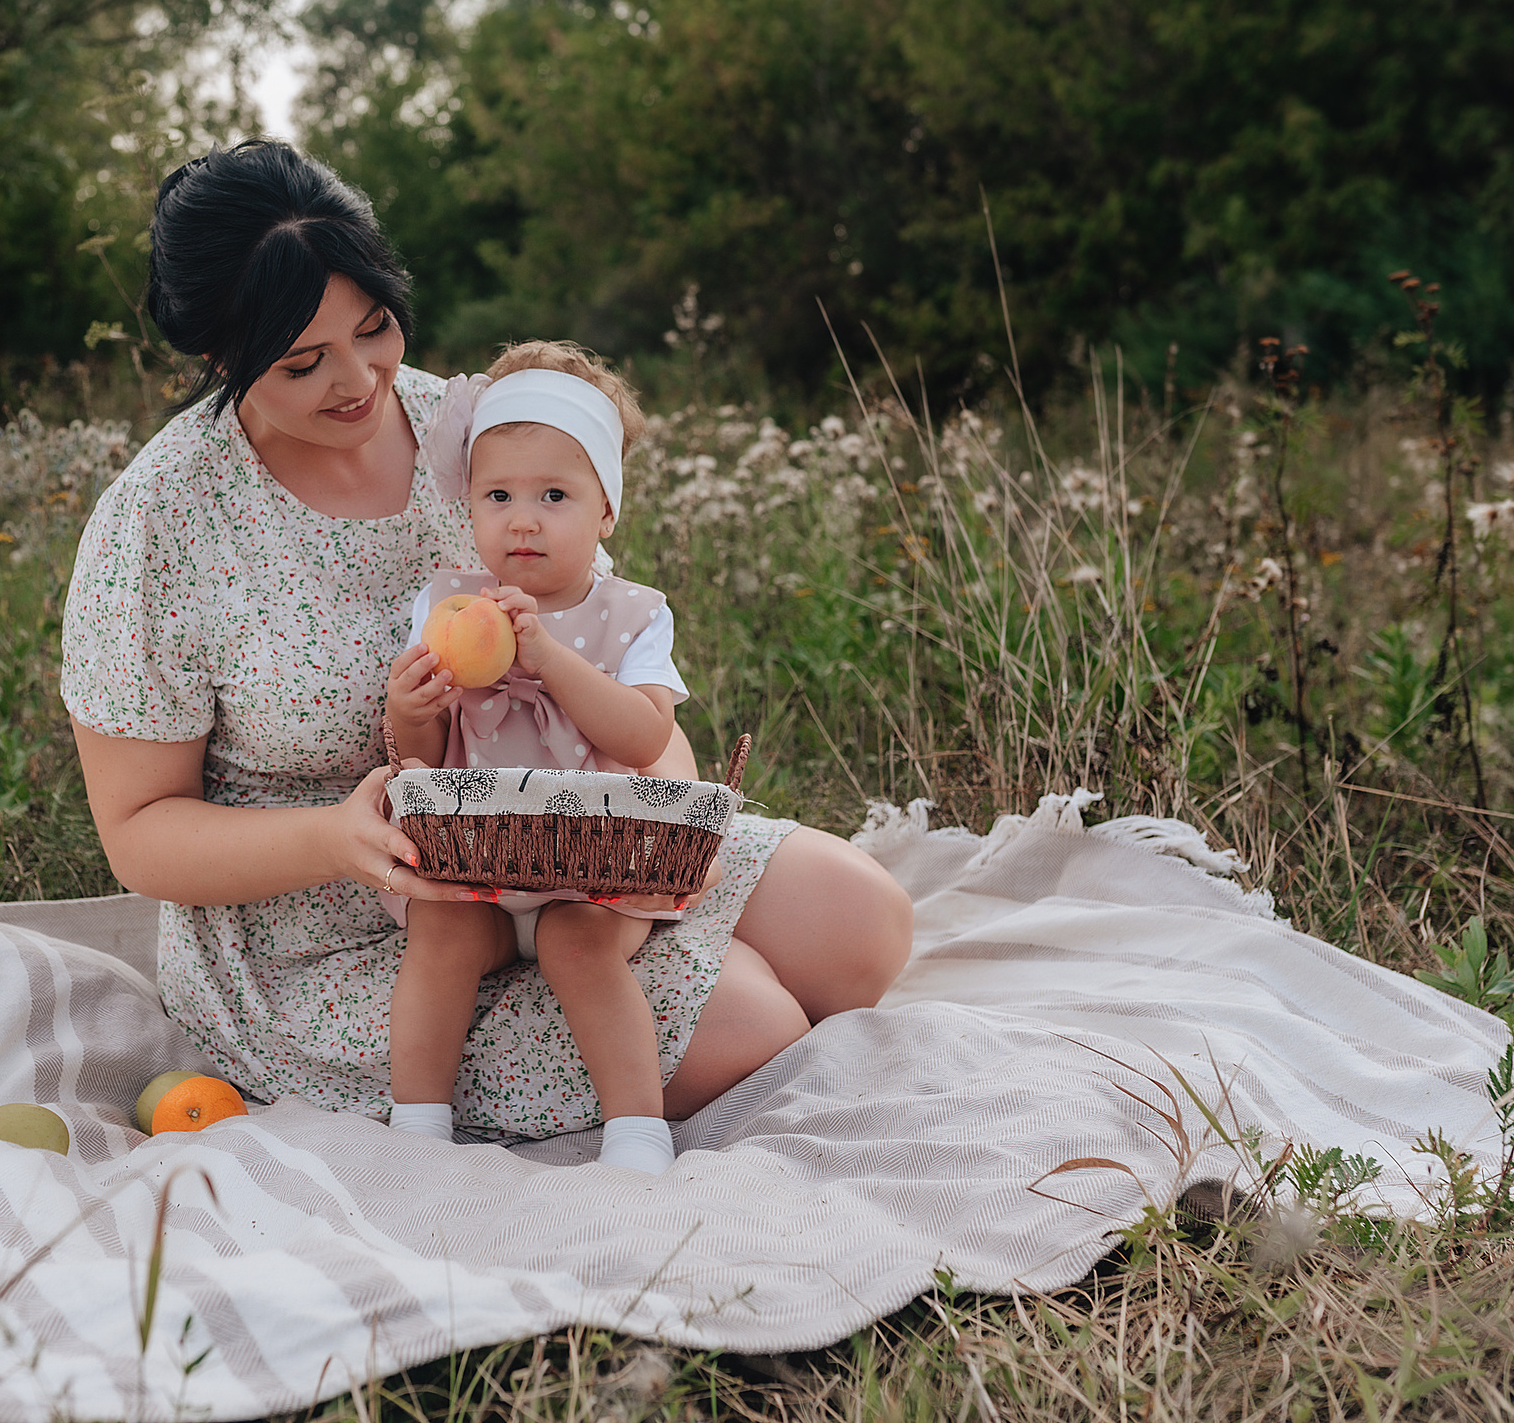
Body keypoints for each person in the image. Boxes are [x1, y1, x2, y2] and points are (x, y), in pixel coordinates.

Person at [63, 139, 913, 1147]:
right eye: (302, 361)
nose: (358, 378)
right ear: (217, 358)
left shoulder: (472, 431)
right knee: (755, 1020)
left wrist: (650, 788)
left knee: (861, 921)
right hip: (342, 922)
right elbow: (140, 829)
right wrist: (337, 838)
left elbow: (607, 631)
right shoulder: (161, 519)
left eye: (374, 327)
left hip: (569, 831)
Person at [380, 342, 704, 1173]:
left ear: (605, 510)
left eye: (553, 495)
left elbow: (643, 738)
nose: (522, 519)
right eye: (499, 495)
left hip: (595, 863)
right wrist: (410, 709)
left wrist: (551, 661)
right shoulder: (448, 606)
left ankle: (636, 1130)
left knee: (578, 943)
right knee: (441, 928)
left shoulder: (633, 616)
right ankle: (418, 1127)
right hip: (478, 861)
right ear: (472, 507)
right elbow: (418, 759)